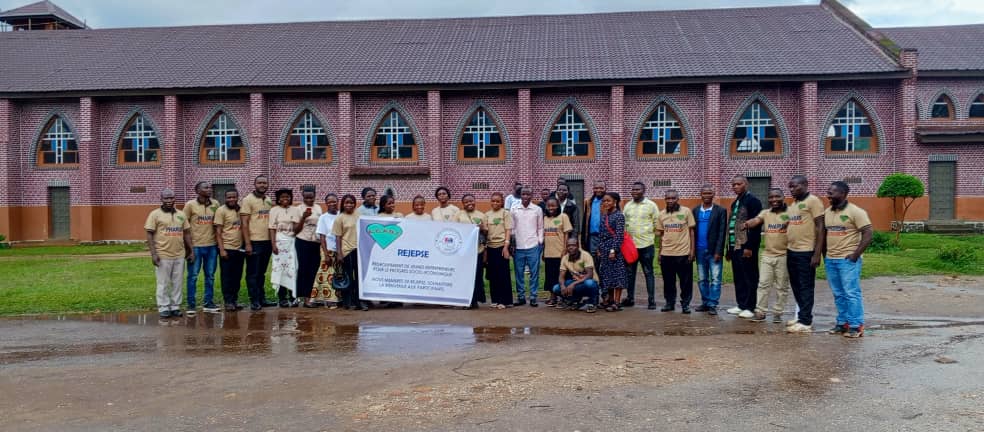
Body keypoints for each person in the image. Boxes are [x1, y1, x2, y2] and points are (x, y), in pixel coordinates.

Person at [822, 181, 873, 338]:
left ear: (843, 194)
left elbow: (868, 233)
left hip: (847, 260)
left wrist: (855, 254)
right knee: (838, 293)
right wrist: (824, 255)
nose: (828, 195)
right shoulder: (828, 212)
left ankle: (856, 325)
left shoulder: (856, 211)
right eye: (828, 192)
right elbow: (824, 234)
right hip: (831, 259)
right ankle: (842, 323)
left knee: (851, 292)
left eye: (832, 192)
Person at [783, 175, 826, 333]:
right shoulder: (794, 204)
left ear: (805, 185)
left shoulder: (813, 201)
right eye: (790, 187)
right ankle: (801, 315)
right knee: (796, 285)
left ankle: (806, 322)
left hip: (806, 251)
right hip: (792, 250)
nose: (792, 190)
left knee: (806, 286)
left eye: (795, 186)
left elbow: (821, 227)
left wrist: (817, 253)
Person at [743, 188, 791, 323]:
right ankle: (760, 311)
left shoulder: (791, 213)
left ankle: (778, 312)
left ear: (783, 197)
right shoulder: (765, 213)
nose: (774, 200)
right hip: (767, 255)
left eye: (777, 197)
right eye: (771, 197)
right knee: (763, 284)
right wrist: (747, 223)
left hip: (784, 255)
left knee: (782, 286)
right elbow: (756, 220)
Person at [145, 189, 192, 318]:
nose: (169, 201)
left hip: (179, 254)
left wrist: (191, 250)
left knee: (177, 282)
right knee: (163, 282)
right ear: (161, 199)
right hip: (163, 254)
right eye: (166, 198)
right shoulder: (155, 214)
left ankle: (175, 306)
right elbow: (149, 234)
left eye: (171, 198)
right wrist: (154, 254)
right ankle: (164, 307)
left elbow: (187, 233)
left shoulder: (181, 214)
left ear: (174, 199)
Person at [725, 175, 762, 319]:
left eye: (738, 184)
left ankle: (750, 306)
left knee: (750, 276)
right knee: (738, 276)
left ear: (746, 184)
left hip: (746, 246)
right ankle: (741, 304)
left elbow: (756, 227)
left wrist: (749, 247)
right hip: (735, 246)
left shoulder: (753, 201)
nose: (735, 187)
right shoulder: (735, 203)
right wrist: (729, 248)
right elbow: (732, 226)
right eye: (733, 184)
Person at [240, 175, 278, 311]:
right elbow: (244, 223)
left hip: (267, 241)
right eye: (260, 183)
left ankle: (262, 298)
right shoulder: (247, 200)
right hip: (254, 242)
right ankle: (254, 300)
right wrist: (247, 243)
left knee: (261, 272)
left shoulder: (268, 200)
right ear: (254, 184)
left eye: (265, 183)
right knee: (253, 273)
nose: (263, 185)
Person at [183, 181, 220, 316]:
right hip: (196, 247)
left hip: (211, 247)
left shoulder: (215, 204)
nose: (209, 189)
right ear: (197, 190)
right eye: (206, 187)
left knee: (210, 276)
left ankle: (208, 303)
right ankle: (191, 305)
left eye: (210, 187)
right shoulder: (190, 205)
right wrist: (188, 249)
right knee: (192, 276)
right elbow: (184, 227)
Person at [656, 189, 696, 313]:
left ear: (678, 199)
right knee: (668, 281)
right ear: (665, 200)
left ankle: (685, 304)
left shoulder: (686, 211)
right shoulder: (661, 214)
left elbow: (691, 232)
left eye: (673, 198)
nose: (670, 200)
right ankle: (669, 303)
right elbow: (661, 234)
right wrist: (660, 253)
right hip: (666, 254)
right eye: (668, 198)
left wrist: (692, 251)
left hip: (683, 253)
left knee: (685, 282)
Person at [623, 181, 660, 308]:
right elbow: (624, 224)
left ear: (643, 191)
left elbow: (657, 223)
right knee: (630, 273)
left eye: (637, 189)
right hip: (631, 246)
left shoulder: (651, 205)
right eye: (633, 190)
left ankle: (651, 301)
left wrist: (653, 237)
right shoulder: (627, 206)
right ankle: (630, 298)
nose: (634, 192)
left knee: (648, 272)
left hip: (646, 245)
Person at [691, 184, 727, 315]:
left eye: (709, 193)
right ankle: (705, 302)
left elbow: (722, 233)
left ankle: (713, 304)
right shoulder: (695, 211)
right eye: (704, 193)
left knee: (716, 279)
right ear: (701, 195)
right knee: (702, 278)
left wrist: (719, 251)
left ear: (713, 194)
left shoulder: (720, 211)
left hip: (713, 251)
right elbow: (692, 231)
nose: (707, 195)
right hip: (699, 250)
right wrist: (692, 251)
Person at [333, 194, 368, 311]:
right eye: (347, 202)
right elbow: (337, 237)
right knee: (348, 277)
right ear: (343, 204)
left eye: (351, 202)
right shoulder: (340, 218)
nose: (349, 205)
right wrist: (339, 253)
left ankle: (360, 302)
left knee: (359, 278)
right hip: (346, 251)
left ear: (355, 204)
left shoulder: (359, 216)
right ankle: (348, 302)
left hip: (359, 251)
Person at [213, 189, 246, 312]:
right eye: (229, 197)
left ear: (238, 197)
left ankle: (234, 300)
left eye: (234, 197)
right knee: (227, 277)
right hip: (227, 249)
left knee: (237, 277)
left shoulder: (241, 210)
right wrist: (221, 250)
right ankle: (228, 301)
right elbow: (218, 232)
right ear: (225, 198)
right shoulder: (221, 211)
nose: (231, 199)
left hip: (239, 249)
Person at [510, 186, 544, 306]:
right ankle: (521, 297)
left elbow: (540, 227)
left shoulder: (537, 209)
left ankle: (533, 297)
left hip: (533, 245)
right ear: (520, 195)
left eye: (528, 194)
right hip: (518, 246)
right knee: (519, 273)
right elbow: (512, 228)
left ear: (531, 195)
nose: (525, 196)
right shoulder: (514, 209)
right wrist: (512, 244)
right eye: (523, 194)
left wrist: (540, 241)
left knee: (534, 273)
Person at [269, 188, 300, 307]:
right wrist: (273, 245)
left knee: (292, 268)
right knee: (280, 269)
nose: (285, 199)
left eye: (287, 197)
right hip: (279, 243)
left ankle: (293, 296)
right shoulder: (274, 210)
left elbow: (297, 228)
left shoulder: (295, 210)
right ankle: (282, 298)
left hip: (292, 242)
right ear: (278, 199)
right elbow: (272, 228)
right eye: (282, 197)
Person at [552, 237, 600, 313]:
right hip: (577, 284)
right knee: (556, 288)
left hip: (587, 283)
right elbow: (561, 276)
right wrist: (562, 286)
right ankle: (575, 300)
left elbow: (590, 275)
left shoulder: (585, 255)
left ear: (578, 246)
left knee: (589, 283)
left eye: (573, 245)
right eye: (568, 246)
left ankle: (592, 302)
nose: (571, 247)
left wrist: (573, 284)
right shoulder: (565, 258)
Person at [455, 194, 487, 309]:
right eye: (466, 202)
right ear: (463, 203)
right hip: (464, 252)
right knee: (465, 276)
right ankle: (467, 300)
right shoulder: (458, 215)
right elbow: (455, 230)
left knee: (477, 276)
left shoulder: (481, 215)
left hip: (478, 251)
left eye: (471, 201)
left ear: (475, 201)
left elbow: (486, 234)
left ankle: (475, 300)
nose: (469, 203)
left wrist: (483, 228)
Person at [597, 192, 627, 312]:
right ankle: (609, 300)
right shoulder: (604, 215)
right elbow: (601, 233)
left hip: (615, 249)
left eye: (608, 201)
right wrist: (599, 248)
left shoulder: (619, 216)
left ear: (615, 202)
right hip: (604, 249)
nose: (606, 203)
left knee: (617, 274)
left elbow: (619, 235)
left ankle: (617, 302)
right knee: (606, 275)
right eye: (604, 201)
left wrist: (613, 250)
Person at [294, 187, 323, 308]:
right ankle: (302, 297)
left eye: (311, 197)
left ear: (315, 196)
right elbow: (295, 230)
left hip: (315, 242)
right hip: (302, 241)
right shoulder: (298, 209)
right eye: (306, 197)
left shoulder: (318, 208)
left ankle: (311, 296)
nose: (309, 199)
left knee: (313, 270)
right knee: (303, 269)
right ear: (303, 197)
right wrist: (303, 217)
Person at [484, 192, 513, 309]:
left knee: (503, 275)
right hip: (490, 247)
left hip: (501, 247)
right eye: (493, 201)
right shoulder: (486, 215)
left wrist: (506, 247)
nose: (495, 203)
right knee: (493, 275)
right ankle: (495, 299)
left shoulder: (505, 213)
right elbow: (485, 231)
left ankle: (505, 301)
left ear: (502, 202)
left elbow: (508, 230)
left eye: (498, 201)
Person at [542, 197, 573, 306]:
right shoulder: (545, 218)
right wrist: (543, 252)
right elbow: (544, 237)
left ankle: (564, 298)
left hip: (560, 253)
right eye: (548, 206)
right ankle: (553, 298)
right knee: (550, 277)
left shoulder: (563, 216)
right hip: (548, 253)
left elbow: (566, 234)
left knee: (562, 276)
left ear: (558, 206)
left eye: (553, 205)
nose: (551, 208)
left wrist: (565, 249)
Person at [313, 193, 340, 308]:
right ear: (326, 204)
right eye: (329, 202)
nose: (332, 204)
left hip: (340, 250)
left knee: (338, 273)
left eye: (334, 201)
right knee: (327, 274)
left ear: (338, 202)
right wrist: (326, 255)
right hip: (327, 249)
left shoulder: (341, 215)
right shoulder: (323, 218)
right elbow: (322, 237)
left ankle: (339, 297)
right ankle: (328, 299)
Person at [581, 180, 606, 254]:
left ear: (605, 188)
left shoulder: (608, 201)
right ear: (593, 189)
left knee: (604, 256)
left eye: (601, 188)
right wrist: (583, 239)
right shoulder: (589, 202)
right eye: (596, 188)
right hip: (592, 236)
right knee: (593, 256)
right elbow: (585, 220)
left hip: (605, 236)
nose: (598, 190)